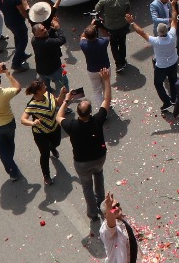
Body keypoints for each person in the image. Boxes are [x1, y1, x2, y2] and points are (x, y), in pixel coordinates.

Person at [62, 71, 113, 221]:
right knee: (99, 178)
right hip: (99, 158)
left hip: (81, 162)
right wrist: (106, 80)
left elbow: (59, 117)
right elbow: (106, 100)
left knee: (87, 187)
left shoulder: (71, 125)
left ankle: (92, 212)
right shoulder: (97, 120)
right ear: (91, 112)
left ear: (77, 113)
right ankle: (102, 206)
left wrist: (66, 100)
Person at [19, 77, 66, 185]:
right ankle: (46, 176)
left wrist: (62, 94)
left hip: (54, 127)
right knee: (44, 154)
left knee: (56, 143)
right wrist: (33, 123)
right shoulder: (32, 105)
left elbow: (58, 103)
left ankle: (52, 147)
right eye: (44, 86)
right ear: (38, 91)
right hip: (41, 133)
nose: (46, 87)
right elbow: (23, 119)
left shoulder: (48, 94)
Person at [94, 0, 134, 72]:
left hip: (110, 27)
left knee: (114, 45)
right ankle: (123, 61)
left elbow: (97, 8)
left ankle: (118, 64)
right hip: (123, 25)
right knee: (122, 43)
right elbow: (128, 10)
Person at [0, 0, 32, 71]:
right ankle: (16, 63)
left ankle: (21, 54)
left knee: (17, 37)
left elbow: (0, 7)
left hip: (8, 21)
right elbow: (21, 10)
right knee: (23, 41)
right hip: (17, 22)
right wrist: (28, 17)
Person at [29, 13, 68, 96]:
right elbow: (62, 40)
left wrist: (52, 29)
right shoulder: (47, 42)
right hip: (54, 69)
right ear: (36, 34)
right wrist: (58, 29)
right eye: (42, 30)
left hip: (42, 71)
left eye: (44, 28)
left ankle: (49, 98)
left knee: (45, 89)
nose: (45, 30)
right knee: (63, 85)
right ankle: (63, 99)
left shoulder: (34, 40)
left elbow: (46, 35)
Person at [147, 21, 179, 114]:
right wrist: (173, 7)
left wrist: (132, 23)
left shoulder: (156, 41)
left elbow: (142, 32)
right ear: (167, 30)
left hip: (161, 67)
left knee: (158, 84)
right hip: (173, 63)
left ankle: (166, 102)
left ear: (158, 32)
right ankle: (174, 99)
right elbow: (174, 22)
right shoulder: (172, 35)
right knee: (173, 81)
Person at [79, 16, 113, 106]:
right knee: (106, 86)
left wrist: (91, 25)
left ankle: (102, 109)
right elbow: (107, 35)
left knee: (97, 91)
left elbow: (82, 37)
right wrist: (100, 25)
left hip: (92, 70)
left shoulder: (83, 45)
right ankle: (107, 104)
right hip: (105, 68)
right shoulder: (103, 42)